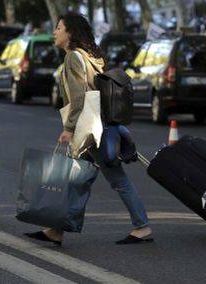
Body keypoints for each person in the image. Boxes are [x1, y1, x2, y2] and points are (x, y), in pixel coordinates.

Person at [25, 12, 152, 246]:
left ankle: (142, 227)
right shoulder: (91, 56)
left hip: (89, 129)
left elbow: (80, 98)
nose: (55, 32)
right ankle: (56, 230)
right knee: (78, 180)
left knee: (107, 180)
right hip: (100, 126)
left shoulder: (74, 57)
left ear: (70, 32)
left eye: (59, 28)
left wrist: (69, 128)